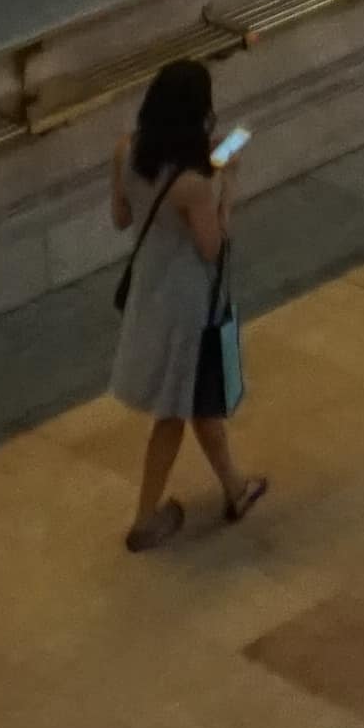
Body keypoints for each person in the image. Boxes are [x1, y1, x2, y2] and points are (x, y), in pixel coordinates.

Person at [105, 56, 262, 547]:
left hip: (150, 290)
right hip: (187, 300)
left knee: (196, 398)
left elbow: (120, 217)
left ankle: (235, 487)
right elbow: (213, 246)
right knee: (177, 406)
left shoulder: (126, 151)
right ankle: (144, 518)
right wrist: (228, 184)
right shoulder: (195, 183)